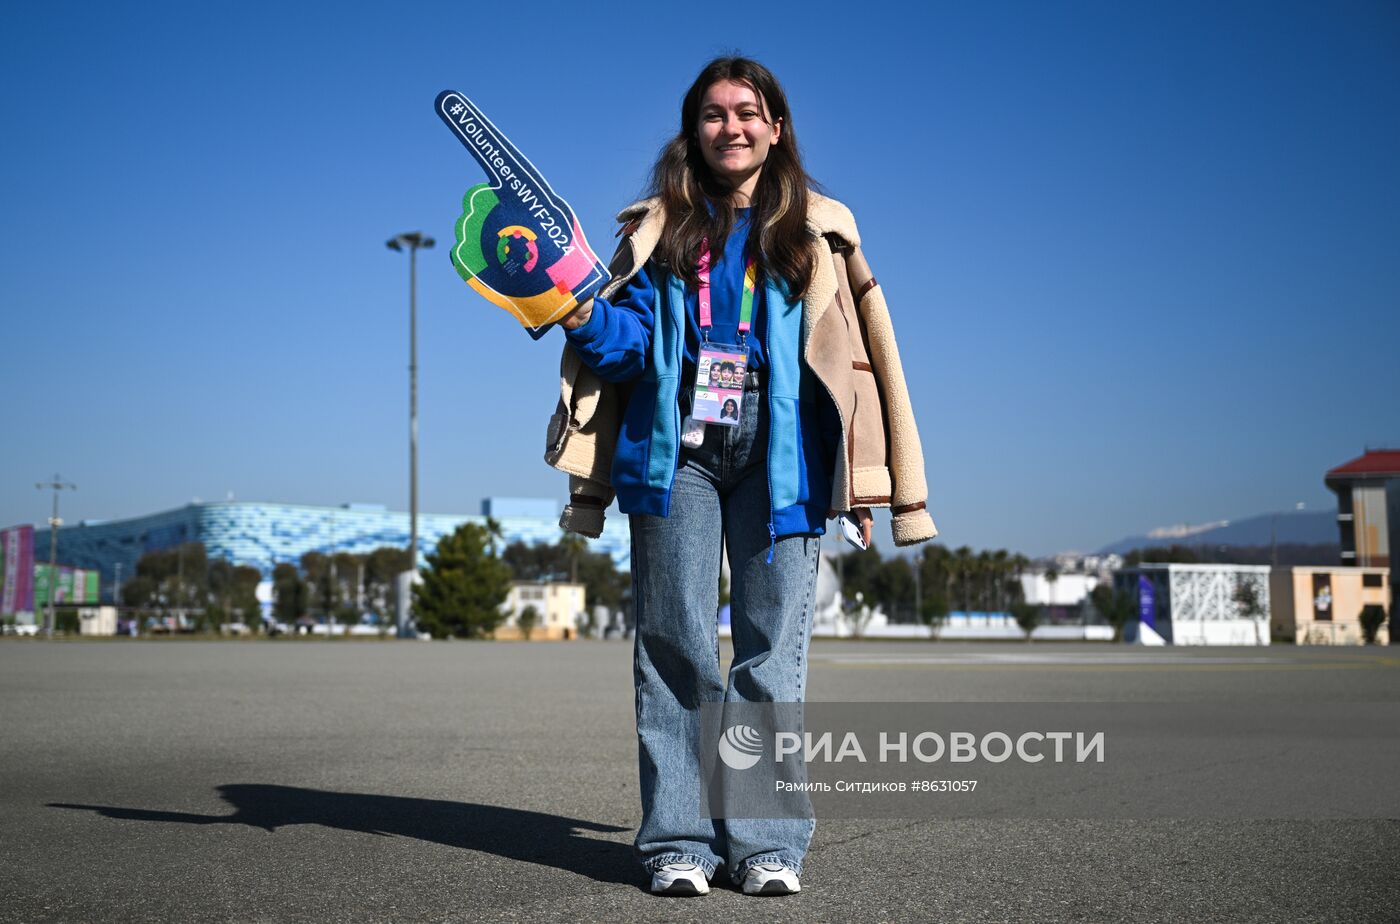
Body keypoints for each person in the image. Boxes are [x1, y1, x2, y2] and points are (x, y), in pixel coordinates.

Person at [553, 56, 937, 896]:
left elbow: (856, 360)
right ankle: (680, 842)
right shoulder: (658, 231)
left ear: (776, 127)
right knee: (675, 646)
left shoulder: (821, 229)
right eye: (714, 114)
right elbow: (625, 350)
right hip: (675, 443)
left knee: (770, 654)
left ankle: (764, 842)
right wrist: (580, 312)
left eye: (747, 111)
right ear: (694, 130)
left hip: (784, 446)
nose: (731, 126)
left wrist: (860, 476)